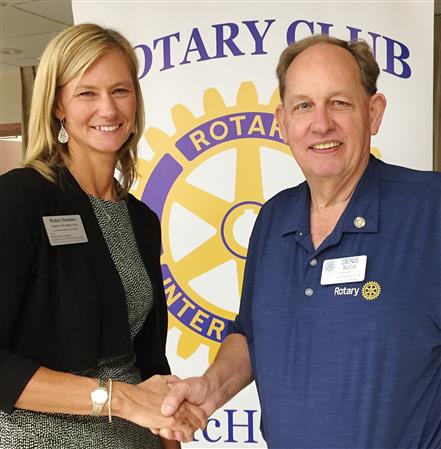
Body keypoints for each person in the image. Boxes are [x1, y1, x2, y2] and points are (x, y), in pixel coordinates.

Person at [157, 34, 441, 448]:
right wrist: (211, 390)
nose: (321, 123)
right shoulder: (273, 218)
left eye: (339, 102)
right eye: (303, 105)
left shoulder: (431, 209)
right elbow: (251, 333)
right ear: (283, 122)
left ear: (374, 112)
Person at [0, 23, 205, 449]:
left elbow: (150, 361)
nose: (108, 110)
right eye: (87, 93)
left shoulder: (140, 220)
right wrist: (120, 399)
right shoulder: (19, 199)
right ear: (58, 104)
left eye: (120, 91)